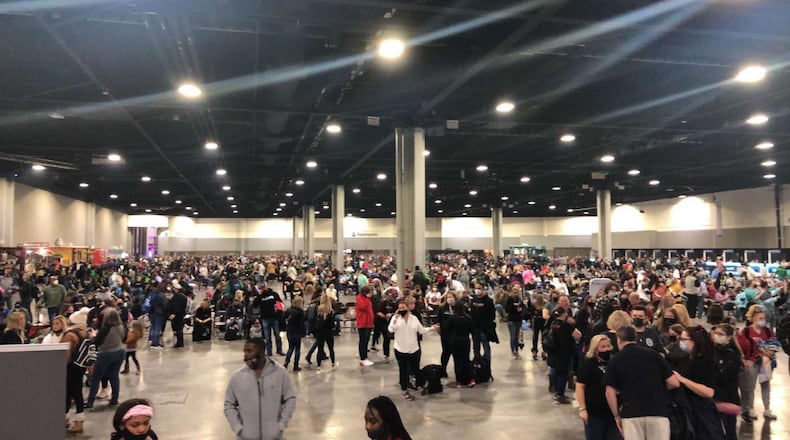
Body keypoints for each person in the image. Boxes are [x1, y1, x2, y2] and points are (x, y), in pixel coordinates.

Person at [605, 326, 680, 440]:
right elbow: (674, 383)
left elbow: (610, 393)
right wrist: (658, 388)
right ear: (635, 337)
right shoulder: (654, 355)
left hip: (631, 414)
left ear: (618, 339)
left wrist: (616, 416)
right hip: (658, 412)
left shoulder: (615, 360)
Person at [224, 338, 296, 440]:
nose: (245, 355)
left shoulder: (280, 373)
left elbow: (290, 399)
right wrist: (238, 428)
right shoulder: (237, 377)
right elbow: (229, 404)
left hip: (274, 437)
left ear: (262, 352)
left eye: (249, 351)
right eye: (244, 351)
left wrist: (281, 425)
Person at [674, 326, 726, 439]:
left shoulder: (704, 363)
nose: (681, 342)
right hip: (686, 408)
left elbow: (708, 392)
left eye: (684, 339)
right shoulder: (686, 359)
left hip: (701, 412)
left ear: (694, 341)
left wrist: (682, 380)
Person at [388, 297, 438, 401]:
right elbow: (391, 329)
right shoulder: (395, 319)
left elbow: (422, 330)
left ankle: (424, 383)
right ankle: (404, 390)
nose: (402, 309)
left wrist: (432, 328)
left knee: (416, 368)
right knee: (403, 370)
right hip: (400, 349)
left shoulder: (414, 319)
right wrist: (395, 319)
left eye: (403, 307)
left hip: (413, 348)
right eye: (400, 308)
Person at [576, 334, 620, 440]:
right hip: (594, 412)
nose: (606, 349)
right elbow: (580, 386)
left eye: (608, 346)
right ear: (595, 349)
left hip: (613, 412)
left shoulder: (614, 362)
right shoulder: (587, 364)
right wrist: (582, 409)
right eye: (603, 347)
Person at [737, 307, 777, 422]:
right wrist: (744, 359)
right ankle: (750, 408)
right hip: (751, 361)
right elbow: (741, 347)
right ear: (753, 318)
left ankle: (767, 408)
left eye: (764, 318)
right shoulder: (745, 332)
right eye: (760, 318)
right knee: (750, 386)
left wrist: (768, 353)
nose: (763, 320)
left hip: (766, 362)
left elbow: (775, 344)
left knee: (766, 384)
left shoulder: (768, 331)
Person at [86, 308, 127, 408]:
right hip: (119, 352)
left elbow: (96, 342)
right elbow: (124, 338)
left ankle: (90, 401)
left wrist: (92, 336)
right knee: (114, 376)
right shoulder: (121, 326)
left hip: (105, 353)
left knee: (96, 378)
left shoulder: (105, 328)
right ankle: (114, 399)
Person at [710, 324, 743, 438]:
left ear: (729, 337)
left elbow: (725, 377)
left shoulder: (732, 355)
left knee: (729, 430)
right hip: (713, 396)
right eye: (716, 333)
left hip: (727, 397)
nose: (717, 336)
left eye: (721, 334)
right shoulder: (712, 350)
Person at [62, 308, 89, 434]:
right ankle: (77, 419)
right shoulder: (83, 333)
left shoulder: (69, 334)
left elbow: (66, 354)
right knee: (76, 393)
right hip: (80, 366)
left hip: (70, 367)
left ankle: (72, 419)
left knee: (69, 393)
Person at [548, 306, 581, 404]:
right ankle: (560, 395)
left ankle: (556, 392)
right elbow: (578, 335)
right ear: (565, 314)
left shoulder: (553, 324)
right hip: (565, 353)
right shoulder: (566, 325)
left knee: (557, 373)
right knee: (563, 375)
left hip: (554, 352)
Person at [446, 301, 475, 387]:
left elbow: (447, 329)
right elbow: (471, 329)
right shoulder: (468, 318)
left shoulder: (452, 318)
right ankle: (470, 379)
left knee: (457, 361)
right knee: (466, 360)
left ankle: (459, 381)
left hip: (455, 340)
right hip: (465, 340)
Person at [470, 286, 496, 364]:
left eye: (479, 288)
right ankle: (477, 363)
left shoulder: (488, 301)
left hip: (484, 329)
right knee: (476, 347)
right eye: (476, 288)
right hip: (475, 328)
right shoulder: (473, 300)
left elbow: (492, 315)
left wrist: (485, 326)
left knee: (486, 348)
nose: (477, 290)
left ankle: (487, 365)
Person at [283, 296, 305, 372]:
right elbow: (302, 324)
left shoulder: (288, 310)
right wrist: (303, 333)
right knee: (297, 349)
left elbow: (283, 319)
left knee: (290, 348)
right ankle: (295, 365)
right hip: (297, 332)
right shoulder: (300, 312)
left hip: (290, 331)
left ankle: (286, 363)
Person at [357, 285, 375, 366]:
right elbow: (364, 307)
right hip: (363, 323)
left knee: (366, 341)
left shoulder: (367, 299)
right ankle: (362, 358)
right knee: (363, 341)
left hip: (368, 323)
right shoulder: (360, 298)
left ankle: (365, 357)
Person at [504, 288, 526, 359]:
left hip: (518, 319)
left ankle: (517, 350)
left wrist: (521, 308)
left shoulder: (520, 299)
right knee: (513, 336)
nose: (516, 293)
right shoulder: (509, 299)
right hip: (511, 320)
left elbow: (523, 307)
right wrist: (514, 307)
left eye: (517, 292)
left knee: (517, 336)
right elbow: (507, 309)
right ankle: (513, 350)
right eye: (514, 292)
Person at [167, 284, 188, 348]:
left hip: (178, 315)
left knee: (178, 329)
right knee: (180, 329)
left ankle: (179, 343)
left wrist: (173, 313)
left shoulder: (177, 296)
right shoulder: (183, 296)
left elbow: (176, 306)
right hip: (181, 314)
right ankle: (180, 342)